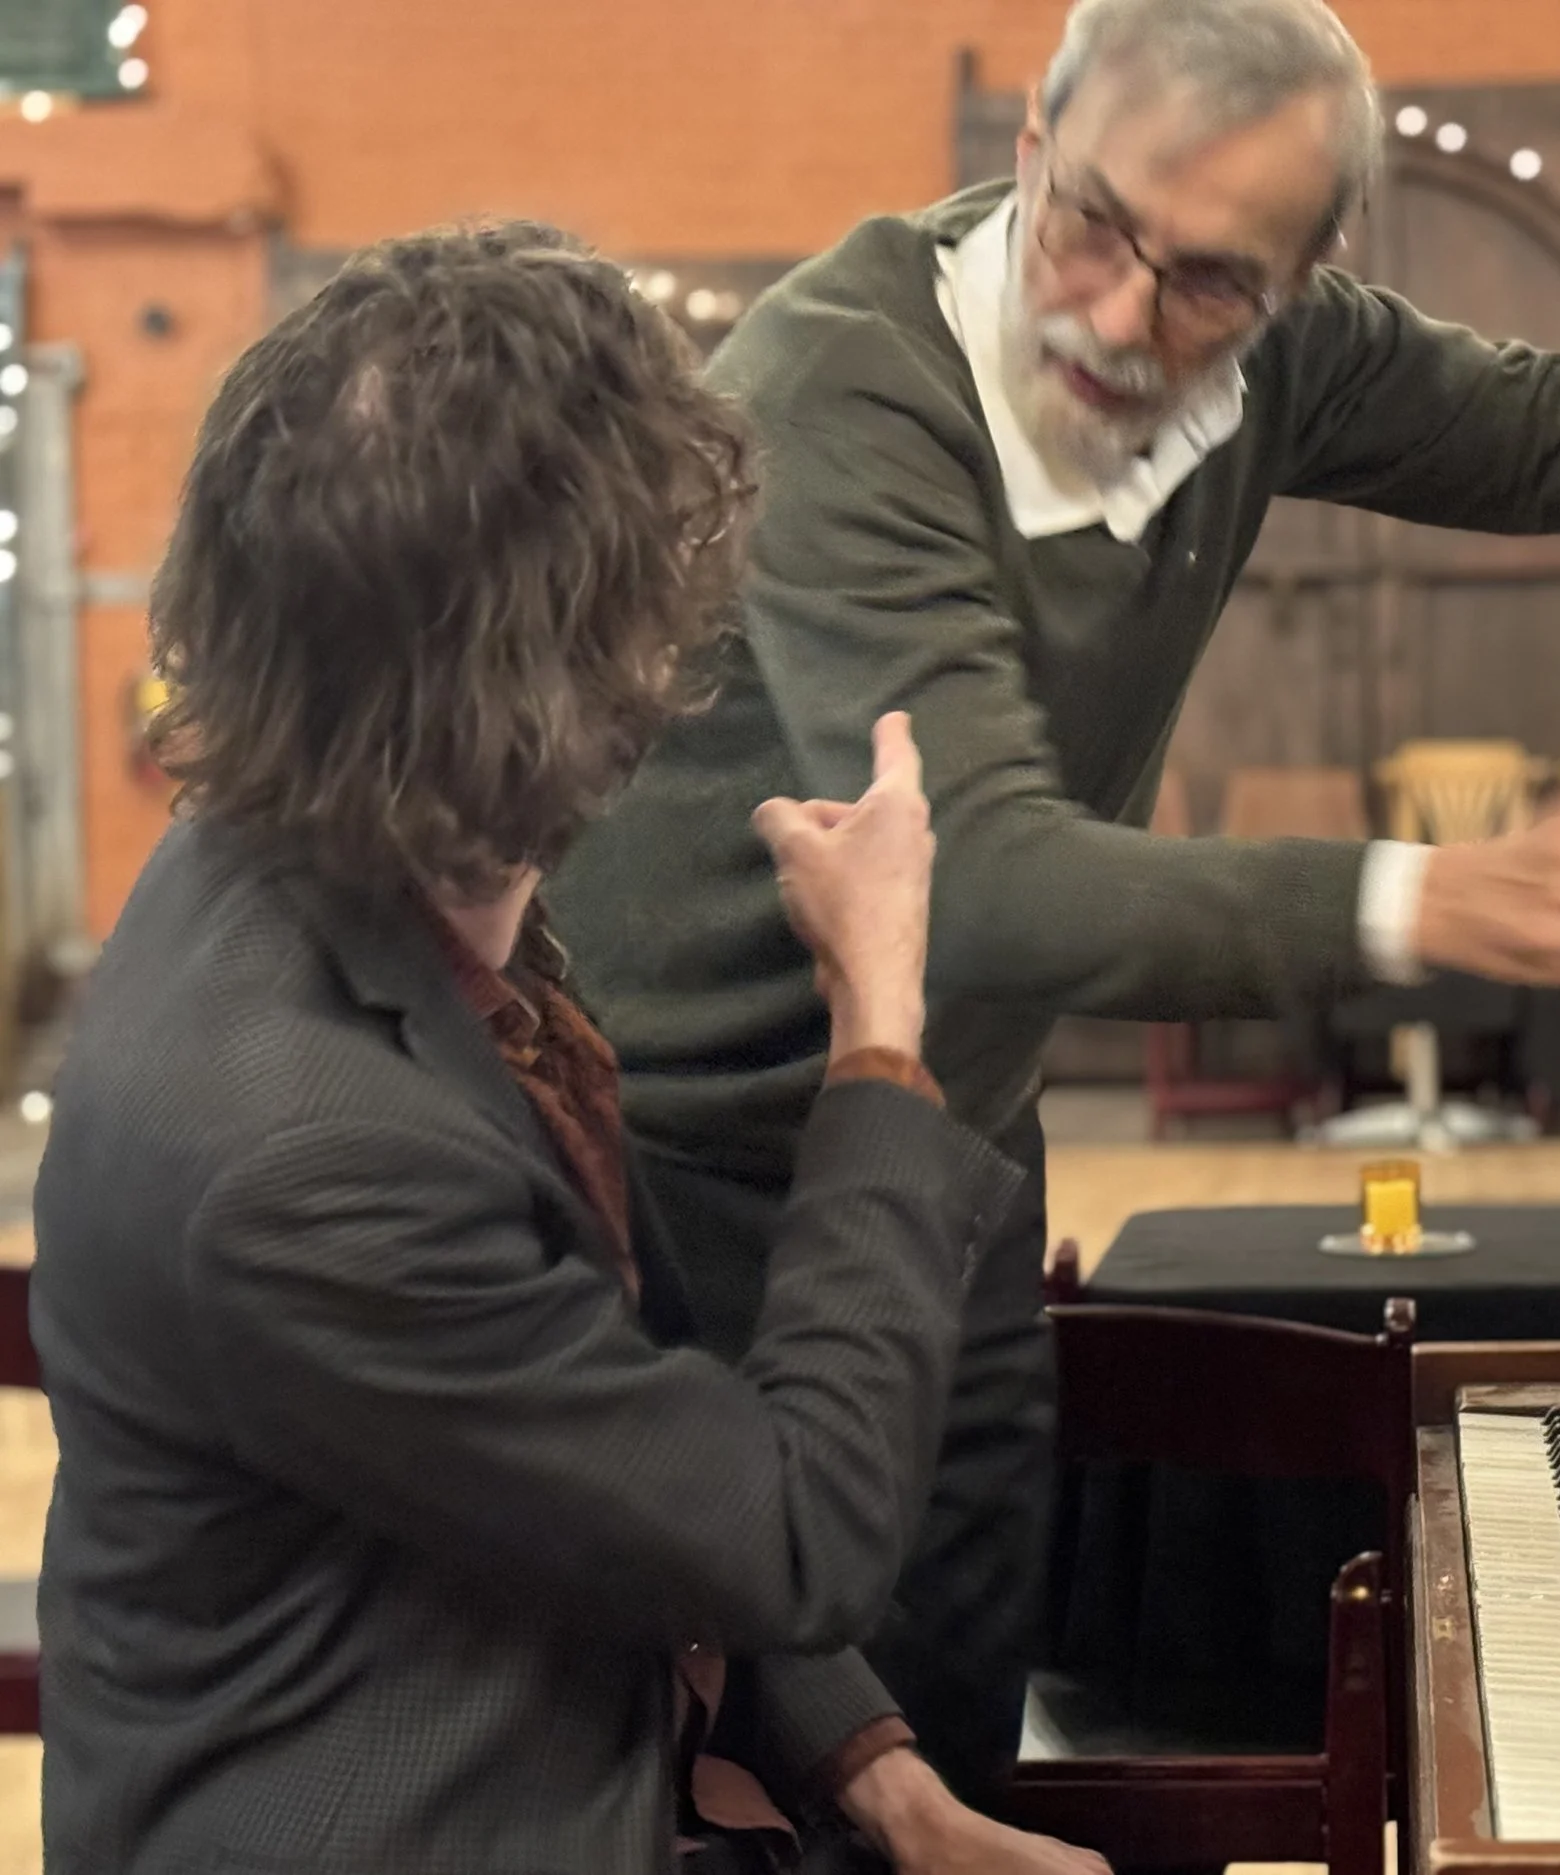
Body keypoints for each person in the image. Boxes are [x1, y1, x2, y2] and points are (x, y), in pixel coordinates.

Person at [542, 0, 1560, 1807]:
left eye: (1209, 282)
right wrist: (1428, 899)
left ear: (1301, 281)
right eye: (1092, 225)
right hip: (696, 1145)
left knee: (949, 1710)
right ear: (1030, 151)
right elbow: (982, 880)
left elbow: (1556, 429)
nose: (1122, 317)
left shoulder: (1278, 360)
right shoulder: (844, 386)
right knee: (747, 1744)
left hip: (950, 1128)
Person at [32, 223, 1104, 1875]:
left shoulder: (344, 859)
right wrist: (882, 1023)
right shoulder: (306, 1151)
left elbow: (620, 1436)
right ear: (575, 675)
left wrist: (879, 1772)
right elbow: (795, 1533)